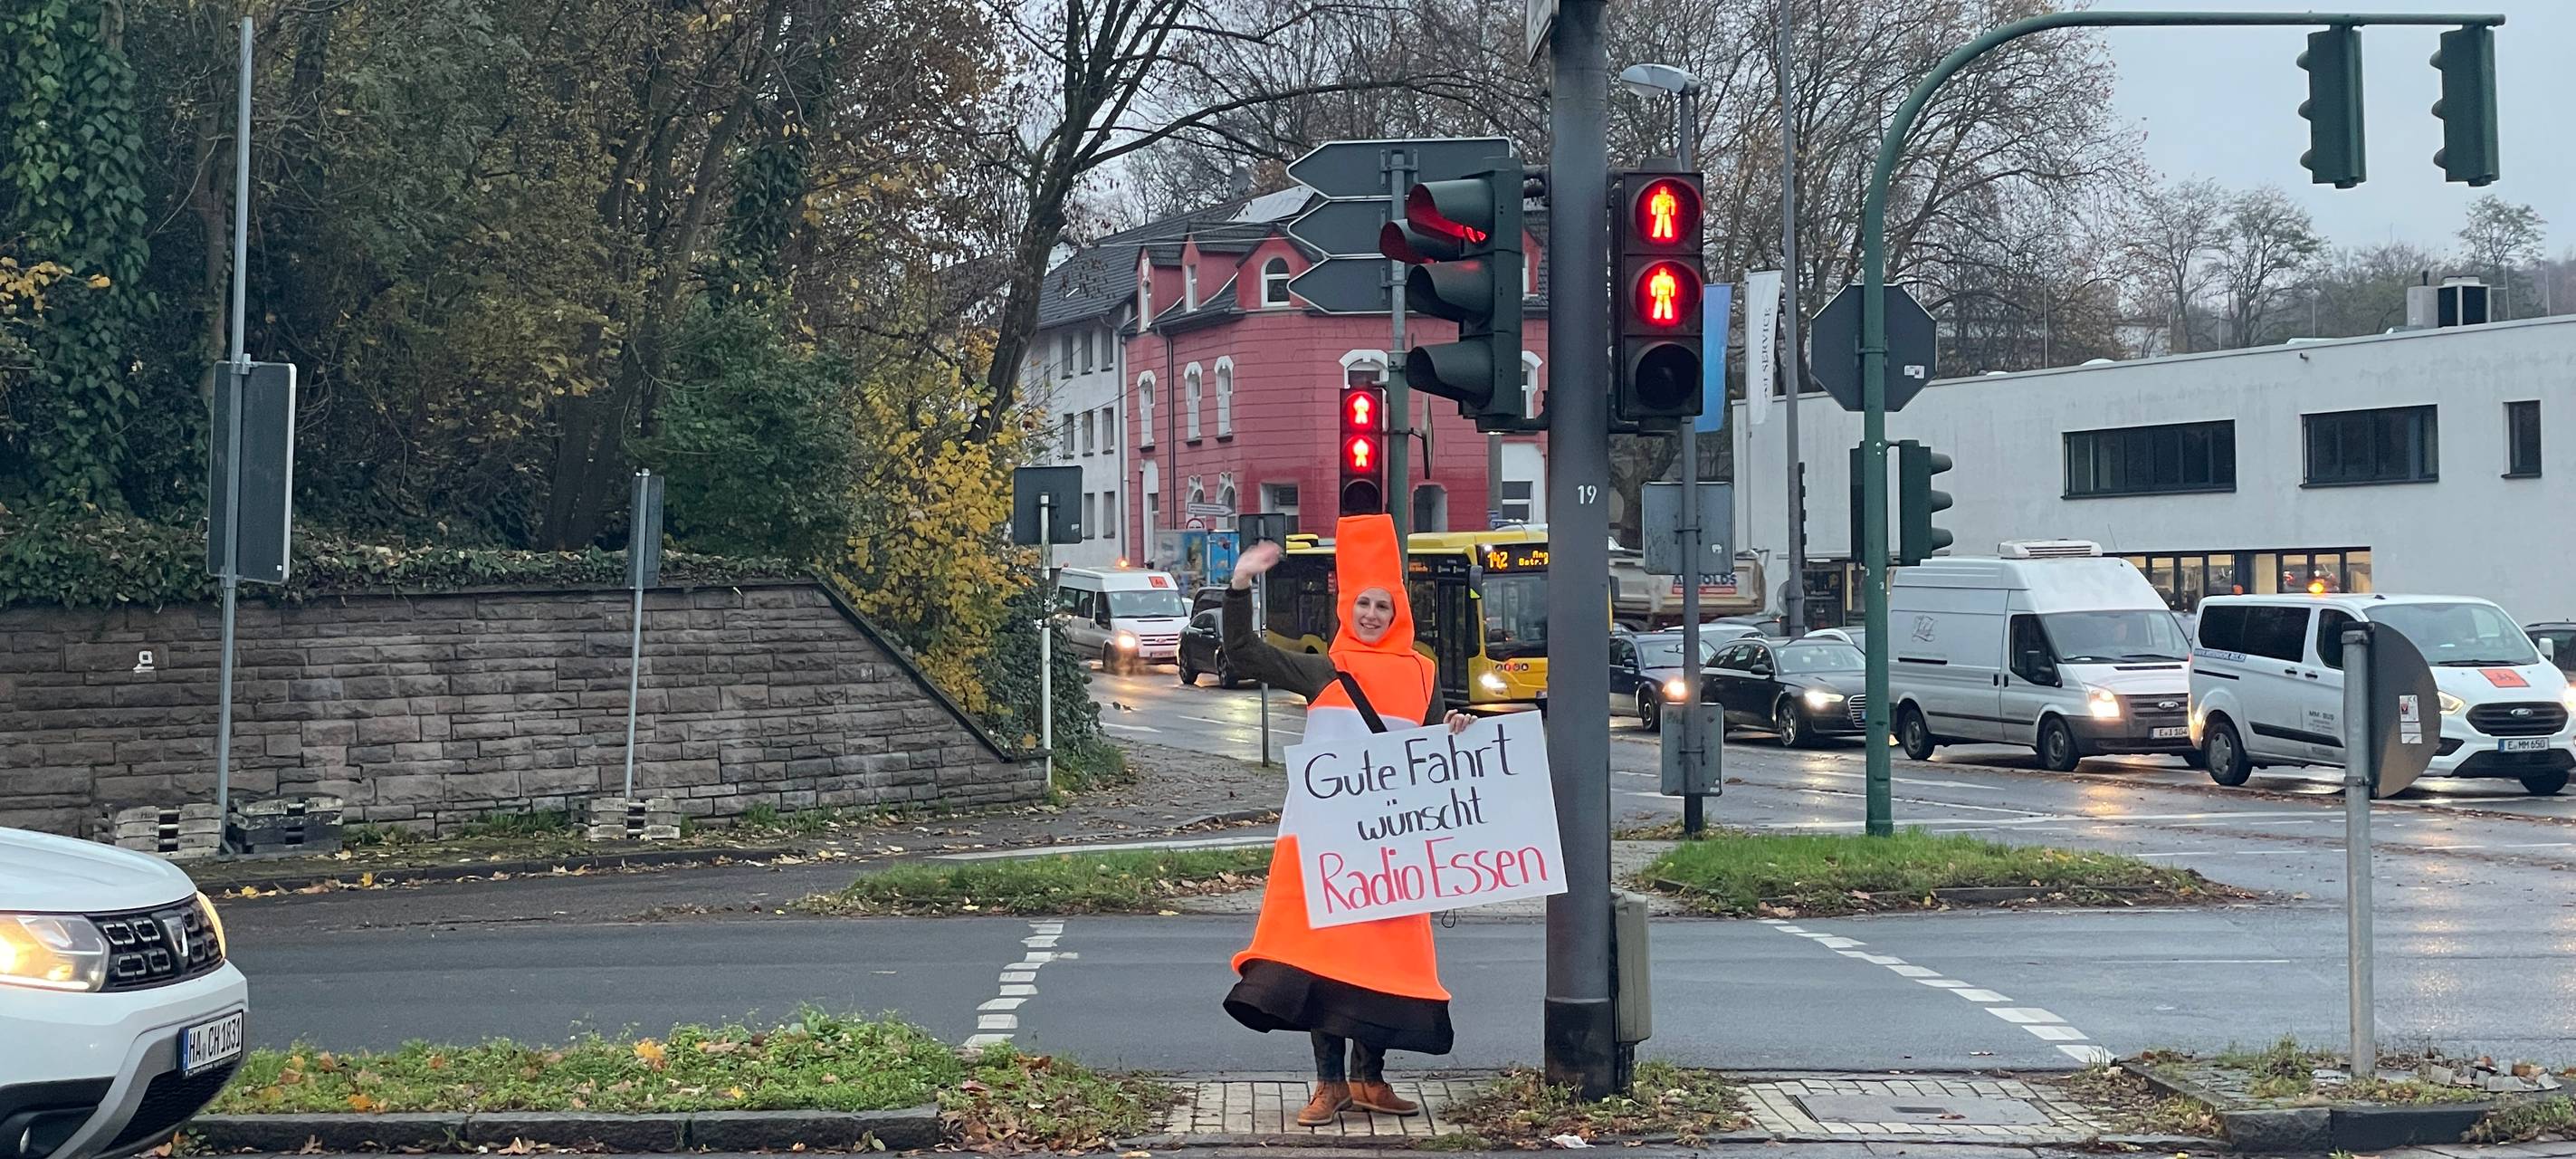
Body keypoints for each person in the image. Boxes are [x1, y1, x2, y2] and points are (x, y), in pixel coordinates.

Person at [1220, 516, 1475, 1127]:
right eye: (1361, 603)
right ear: (1346, 607)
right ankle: (1329, 1084)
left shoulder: (1422, 674)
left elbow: (1428, 752)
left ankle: (1370, 1079)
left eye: (1381, 605)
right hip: (1321, 842)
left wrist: (1456, 732)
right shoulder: (1323, 670)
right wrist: (1238, 586)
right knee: (1322, 962)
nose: (1369, 613)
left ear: (1399, 612)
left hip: (1393, 844)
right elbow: (1243, 652)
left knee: (1380, 963)